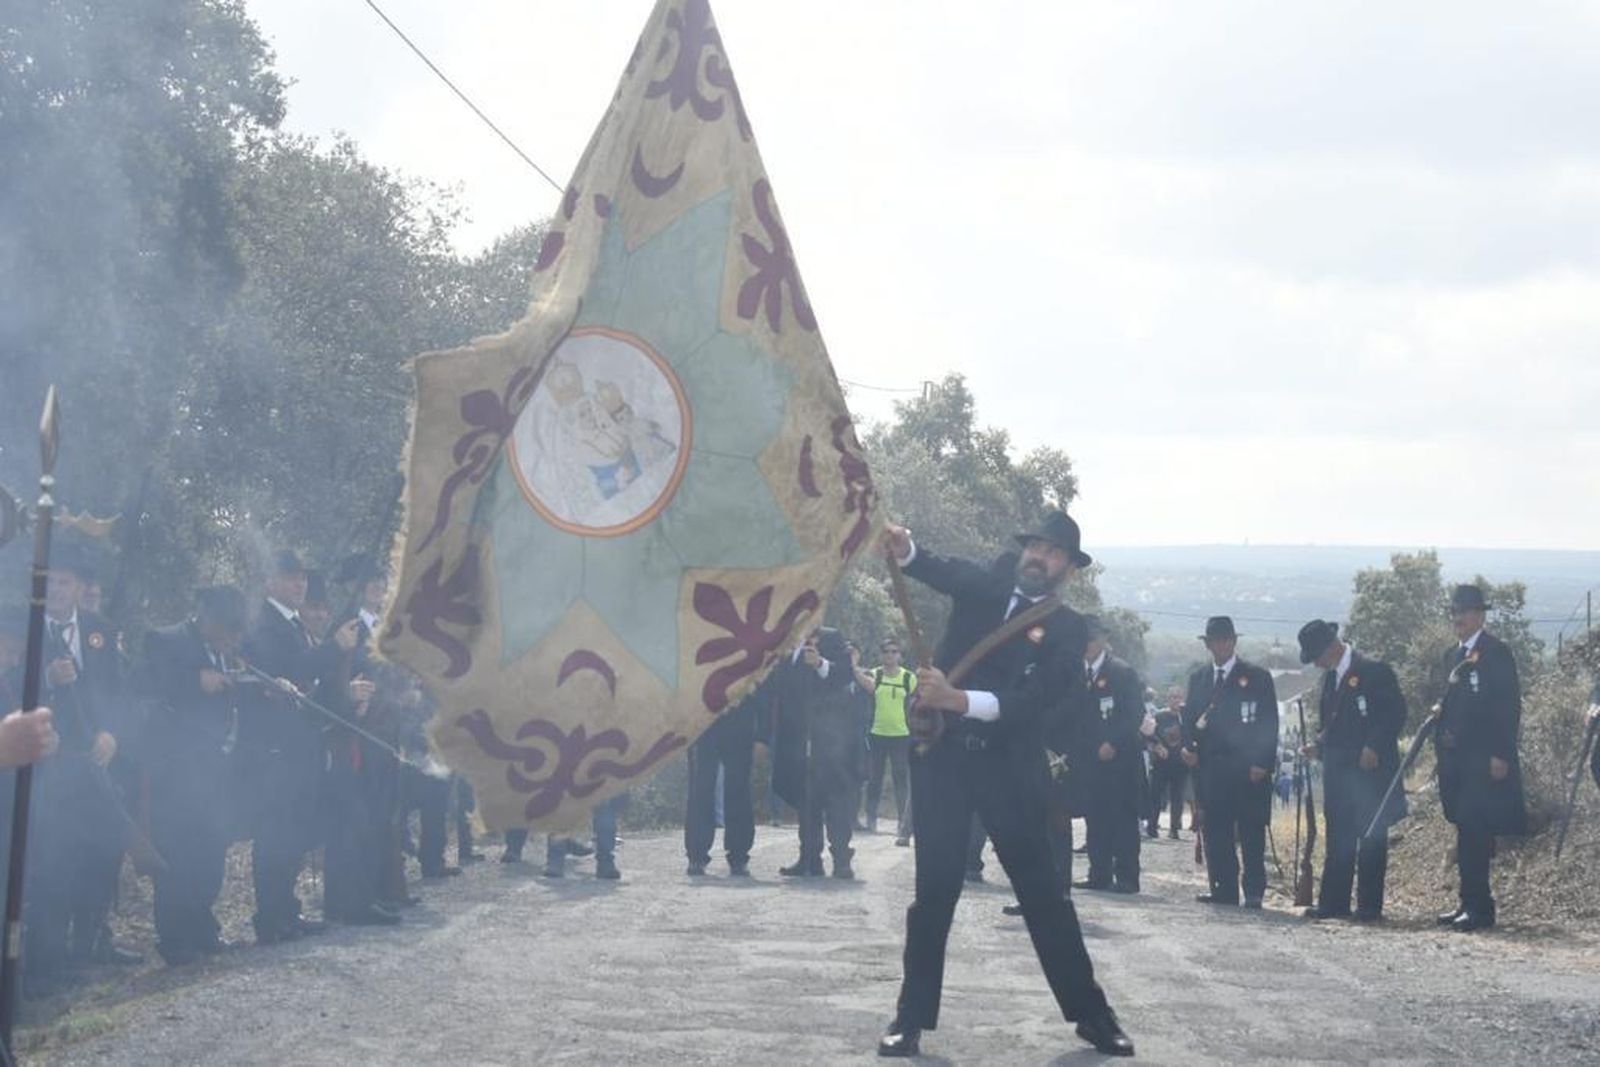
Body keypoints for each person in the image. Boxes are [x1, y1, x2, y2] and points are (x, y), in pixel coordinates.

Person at [876, 511, 1132, 1059]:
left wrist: (958, 700)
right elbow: (936, 568)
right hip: (944, 763)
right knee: (934, 896)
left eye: (1054, 552)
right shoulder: (987, 584)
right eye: (1036, 545)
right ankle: (909, 1018)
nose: (1041, 557)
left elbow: (1034, 704)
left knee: (1045, 897)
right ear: (1024, 550)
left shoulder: (1067, 631)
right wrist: (904, 546)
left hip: (1008, 771)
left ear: (1068, 568)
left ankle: (1093, 1015)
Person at [236, 549, 358, 945]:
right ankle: (270, 917)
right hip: (275, 747)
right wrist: (334, 647)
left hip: (301, 744)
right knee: (276, 834)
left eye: (302, 577)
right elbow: (293, 671)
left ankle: (285, 909)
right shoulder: (264, 626)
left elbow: (309, 685)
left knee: (295, 831)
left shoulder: (291, 624)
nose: (299, 584)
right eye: (291, 578)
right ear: (271, 582)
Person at [143, 586, 250, 963]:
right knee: (178, 853)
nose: (232, 638)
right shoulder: (165, 640)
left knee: (211, 850)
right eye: (226, 629)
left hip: (217, 769)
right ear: (205, 617)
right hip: (176, 770)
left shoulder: (228, 651)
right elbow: (147, 690)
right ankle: (174, 937)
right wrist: (195, 682)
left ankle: (202, 923)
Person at [1297, 619, 1406, 923]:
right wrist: (1319, 746)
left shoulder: (1374, 671)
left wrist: (1374, 745)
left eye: (1316, 655)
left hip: (1369, 774)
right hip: (1339, 774)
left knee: (1371, 838)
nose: (1316, 663)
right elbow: (1332, 725)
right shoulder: (1331, 680)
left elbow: (1395, 713)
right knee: (1338, 838)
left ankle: (1370, 907)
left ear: (1330, 647)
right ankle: (1334, 902)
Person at [1433, 585, 1525, 932]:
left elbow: (1507, 706)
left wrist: (1500, 753)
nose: (1458, 618)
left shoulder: (1496, 653)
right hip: (1455, 761)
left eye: (1465, 612)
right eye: (1454, 612)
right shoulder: (1450, 657)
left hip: (1482, 759)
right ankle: (1466, 902)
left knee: (1475, 832)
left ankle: (1480, 908)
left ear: (1480, 615)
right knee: (1464, 831)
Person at [1181, 616, 1278, 910]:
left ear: (1233, 642)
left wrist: (1263, 761)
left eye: (1225, 640)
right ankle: (1223, 888)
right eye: (1214, 641)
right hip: (1211, 767)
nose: (1219, 646)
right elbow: (1189, 722)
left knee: (1250, 831)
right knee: (1216, 833)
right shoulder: (1198, 679)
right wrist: (1188, 748)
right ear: (1208, 644)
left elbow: (1268, 722)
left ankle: (1253, 891)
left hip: (1248, 767)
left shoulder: (1256, 677)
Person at [772, 628, 863, 880]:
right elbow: (780, 687)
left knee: (837, 803)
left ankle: (842, 860)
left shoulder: (832, 637)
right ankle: (809, 859)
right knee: (806, 801)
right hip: (799, 739)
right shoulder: (787, 641)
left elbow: (846, 675)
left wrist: (820, 664)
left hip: (834, 739)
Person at [1073, 617, 1145, 895]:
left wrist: (1113, 742)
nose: (1088, 644)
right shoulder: (1077, 672)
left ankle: (1127, 876)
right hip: (1089, 759)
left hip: (1121, 759)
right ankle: (1098, 872)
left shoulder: (1121, 672)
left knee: (1123, 818)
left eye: (1092, 639)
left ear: (1103, 640)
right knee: (1095, 816)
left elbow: (1134, 714)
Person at [685, 681, 758, 877]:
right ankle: (696, 856)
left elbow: (761, 678)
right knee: (701, 789)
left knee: (739, 790)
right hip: (703, 721)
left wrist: (762, 735)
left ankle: (739, 856)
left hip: (740, 721)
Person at [865, 638, 916, 845]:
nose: (890, 655)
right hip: (876, 733)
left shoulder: (908, 678)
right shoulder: (874, 674)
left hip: (901, 735)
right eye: (886, 651)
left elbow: (917, 702)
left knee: (901, 779)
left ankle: (902, 824)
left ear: (900, 655)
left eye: (895, 651)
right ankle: (870, 819)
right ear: (881, 654)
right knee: (874, 778)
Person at [1145, 688, 1187, 839]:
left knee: (1177, 797)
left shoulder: (1186, 716)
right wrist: (1157, 746)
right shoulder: (1160, 716)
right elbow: (1149, 733)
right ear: (1168, 700)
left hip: (1180, 763)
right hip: (1161, 762)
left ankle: (1174, 828)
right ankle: (1152, 826)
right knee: (1155, 795)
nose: (1176, 701)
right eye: (1173, 698)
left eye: (1178, 697)